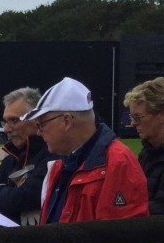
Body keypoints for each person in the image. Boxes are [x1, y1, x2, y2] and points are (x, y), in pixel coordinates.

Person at [21, 77, 148, 224]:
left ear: (66, 121)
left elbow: (119, 238)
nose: (38, 132)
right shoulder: (61, 164)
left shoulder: (118, 163)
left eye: (41, 124)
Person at [0, 87, 50, 225]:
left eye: (14, 121)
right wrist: (10, 194)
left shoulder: (52, 155)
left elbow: (24, 198)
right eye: (5, 121)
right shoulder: (11, 160)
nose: (6, 129)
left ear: (36, 119)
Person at [124, 77, 164, 214]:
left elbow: (162, 209)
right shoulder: (147, 152)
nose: (133, 123)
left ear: (163, 114)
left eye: (138, 117)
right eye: (132, 117)